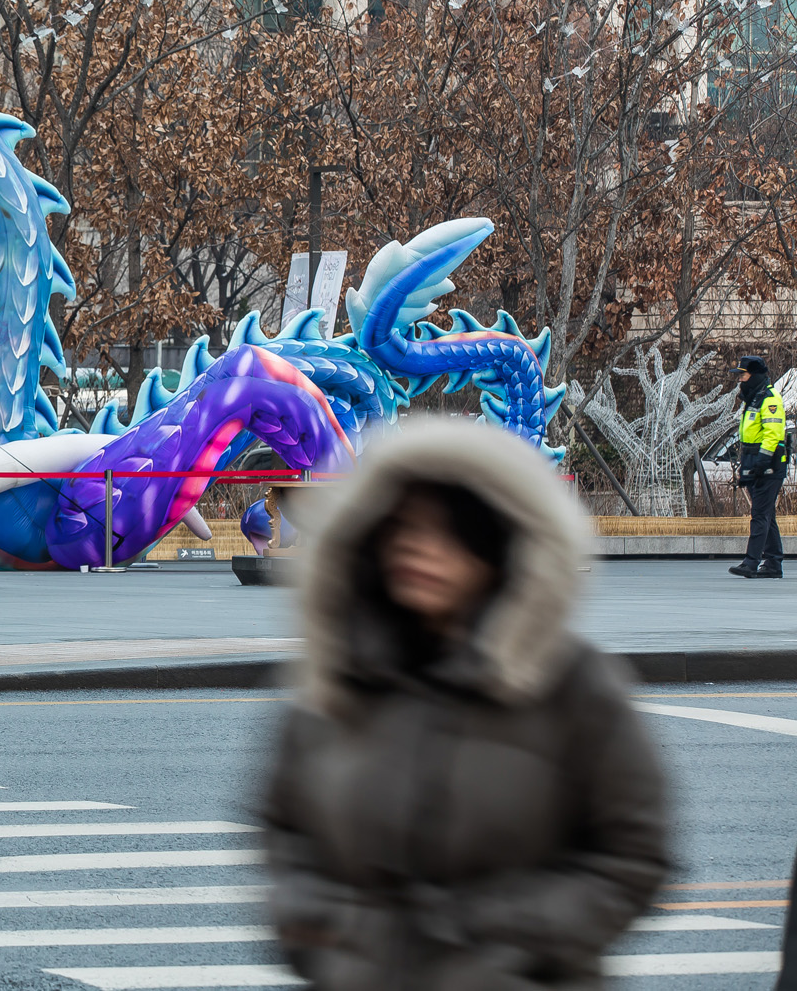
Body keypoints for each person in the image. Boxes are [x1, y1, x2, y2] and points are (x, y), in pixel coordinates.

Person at [262, 417, 669, 989]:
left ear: (496, 542)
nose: (415, 546)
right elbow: (285, 832)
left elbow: (632, 857)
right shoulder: (339, 673)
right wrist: (323, 934)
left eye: (447, 529)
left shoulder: (571, 683)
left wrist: (509, 940)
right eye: (400, 525)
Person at [728, 355, 787, 580]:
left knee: (760, 514)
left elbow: (773, 434)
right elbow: (749, 438)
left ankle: (751, 563)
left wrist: (761, 463)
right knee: (767, 514)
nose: (741, 380)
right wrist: (747, 469)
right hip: (755, 463)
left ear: (755, 375)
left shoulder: (769, 399)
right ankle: (773, 562)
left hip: (769, 465)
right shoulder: (753, 399)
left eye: (743, 375)